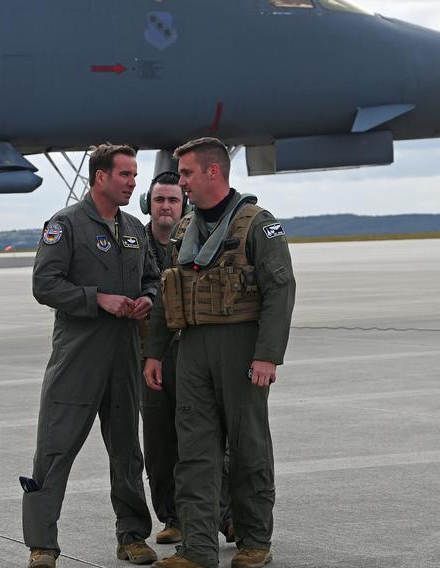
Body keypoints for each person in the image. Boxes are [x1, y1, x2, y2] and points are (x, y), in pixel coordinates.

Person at [143, 138, 296, 568]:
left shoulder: (256, 224)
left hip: (241, 348)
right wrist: (154, 353)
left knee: (248, 446)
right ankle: (197, 548)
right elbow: (166, 291)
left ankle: (254, 540)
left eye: (187, 173)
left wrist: (268, 355)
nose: (182, 183)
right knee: (194, 450)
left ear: (213, 172)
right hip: (190, 348)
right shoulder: (185, 231)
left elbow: (280, 290)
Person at [22, 144, 160, 568]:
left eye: (135, 175)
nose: (132, 183)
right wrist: (95, 298)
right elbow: (44, 284)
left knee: (126, 451)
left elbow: (152, 277)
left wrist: (147, 299)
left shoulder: (135, 227)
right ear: (100, 177)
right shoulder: (65, 226)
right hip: (78, 358)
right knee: (56, 447)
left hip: (124, 356)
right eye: (125, 175)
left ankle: (133, 536)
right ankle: (42, 545)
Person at [139, 172, 235, 547]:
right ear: (149, 205)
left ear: (184, 205)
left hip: (194, 353)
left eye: (172, 200)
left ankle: (226, 516)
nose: (165, 206)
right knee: (160, 441)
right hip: (151, 353)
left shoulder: (199, 238)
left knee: (206, 439)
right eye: (159, 199)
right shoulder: (134, 241)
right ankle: (173, 517)